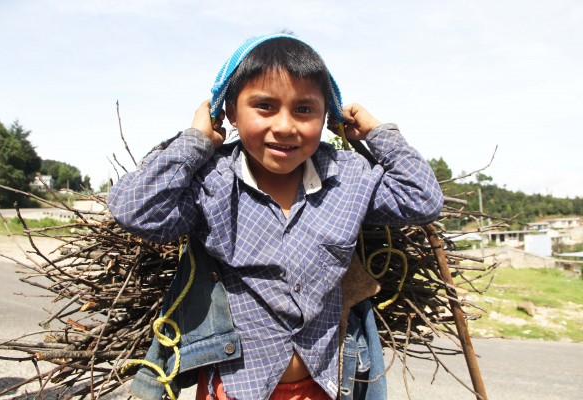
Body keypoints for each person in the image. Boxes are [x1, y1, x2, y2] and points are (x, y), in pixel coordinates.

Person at [108, 33, 443, 400]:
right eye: (264, 106)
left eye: (304, 110)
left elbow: (422, 199)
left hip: (328, 385)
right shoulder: (211, 182)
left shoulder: (348, 177)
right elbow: (134, 209)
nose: (285, 126)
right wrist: (195, 138)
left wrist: (378, 134)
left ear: (325, 116)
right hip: (233, 390)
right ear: (231, 113)